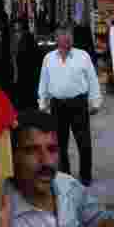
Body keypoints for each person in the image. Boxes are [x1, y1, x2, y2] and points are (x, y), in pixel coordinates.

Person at [38, 28, 102, 186]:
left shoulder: (83, 56)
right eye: (63, 36)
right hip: (57, 105)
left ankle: (85, 176)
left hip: (78, 103)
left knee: (84, 141)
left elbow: (92, 80)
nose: (67, 39)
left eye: (69, 36)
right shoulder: (49, 58)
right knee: (60, 143)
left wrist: (95, 101)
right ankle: (64, 175)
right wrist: (43, 102)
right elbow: (44, 81)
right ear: (57, 39)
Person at [12, 29, 42, 111]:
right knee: (32, 102)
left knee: (25, 104)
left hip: (23, 83)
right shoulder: (37, 52)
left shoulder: (20, 53)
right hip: (33, 82)